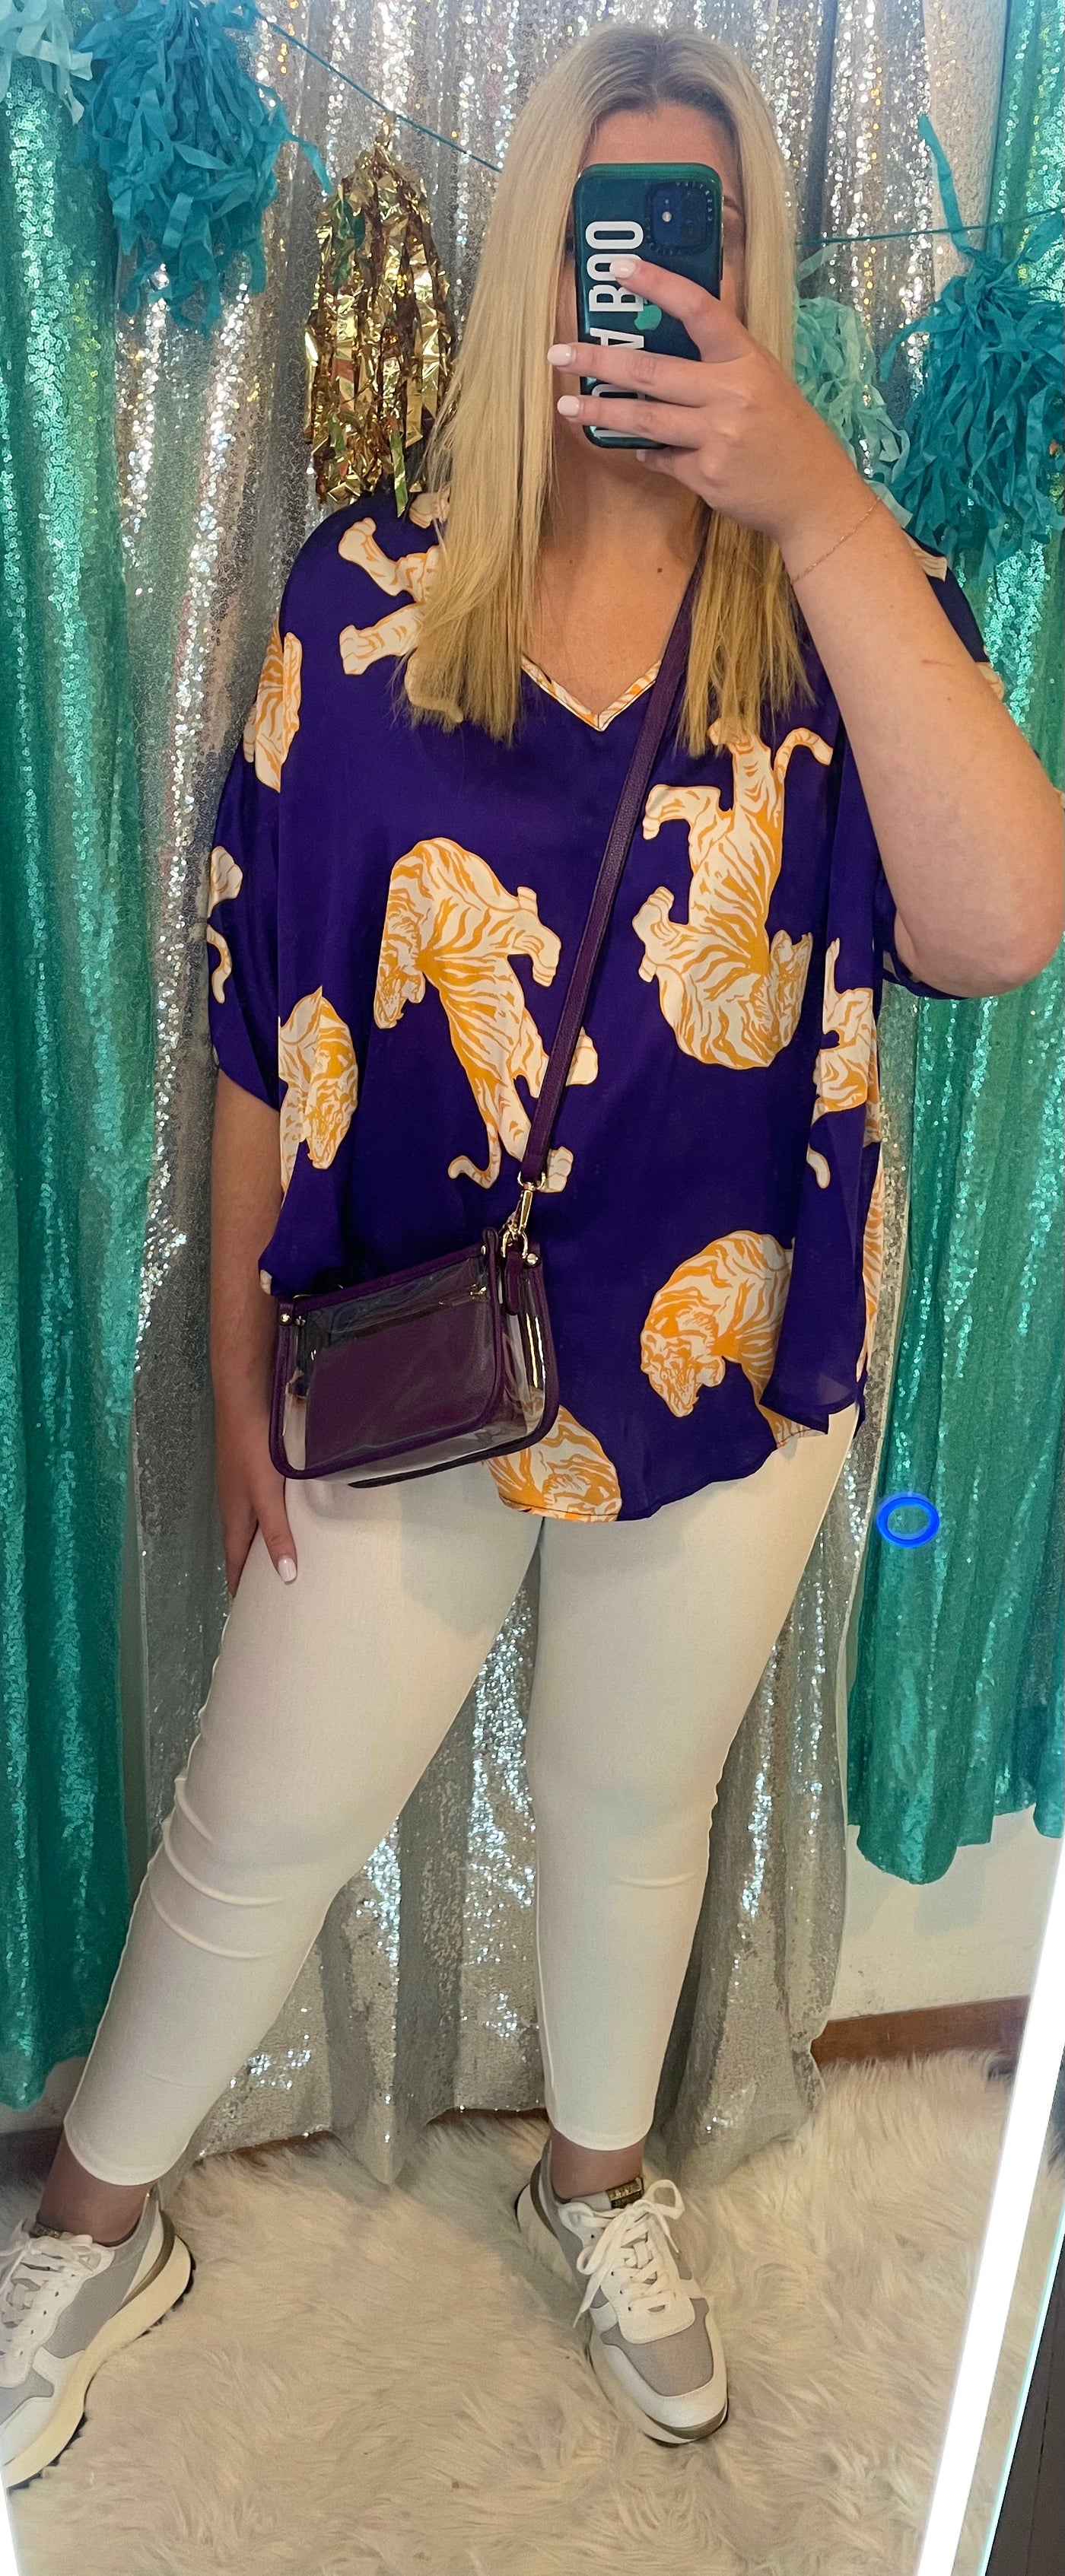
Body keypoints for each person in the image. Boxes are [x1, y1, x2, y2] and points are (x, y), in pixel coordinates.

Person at [2, 21, 1060, 2485]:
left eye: (701, 243)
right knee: (263, 1811)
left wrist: (817, 503)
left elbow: (1001, 921)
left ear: (752, 281)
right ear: (528, 273)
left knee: (628, 1799)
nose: (652, 292)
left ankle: (599, 2177)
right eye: (610, 239)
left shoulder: (841, 609)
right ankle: (94, 2219)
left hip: (730, 1352)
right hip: (404, 1355)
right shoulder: (366, 593)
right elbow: (256, 990)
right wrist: (234, 1355)